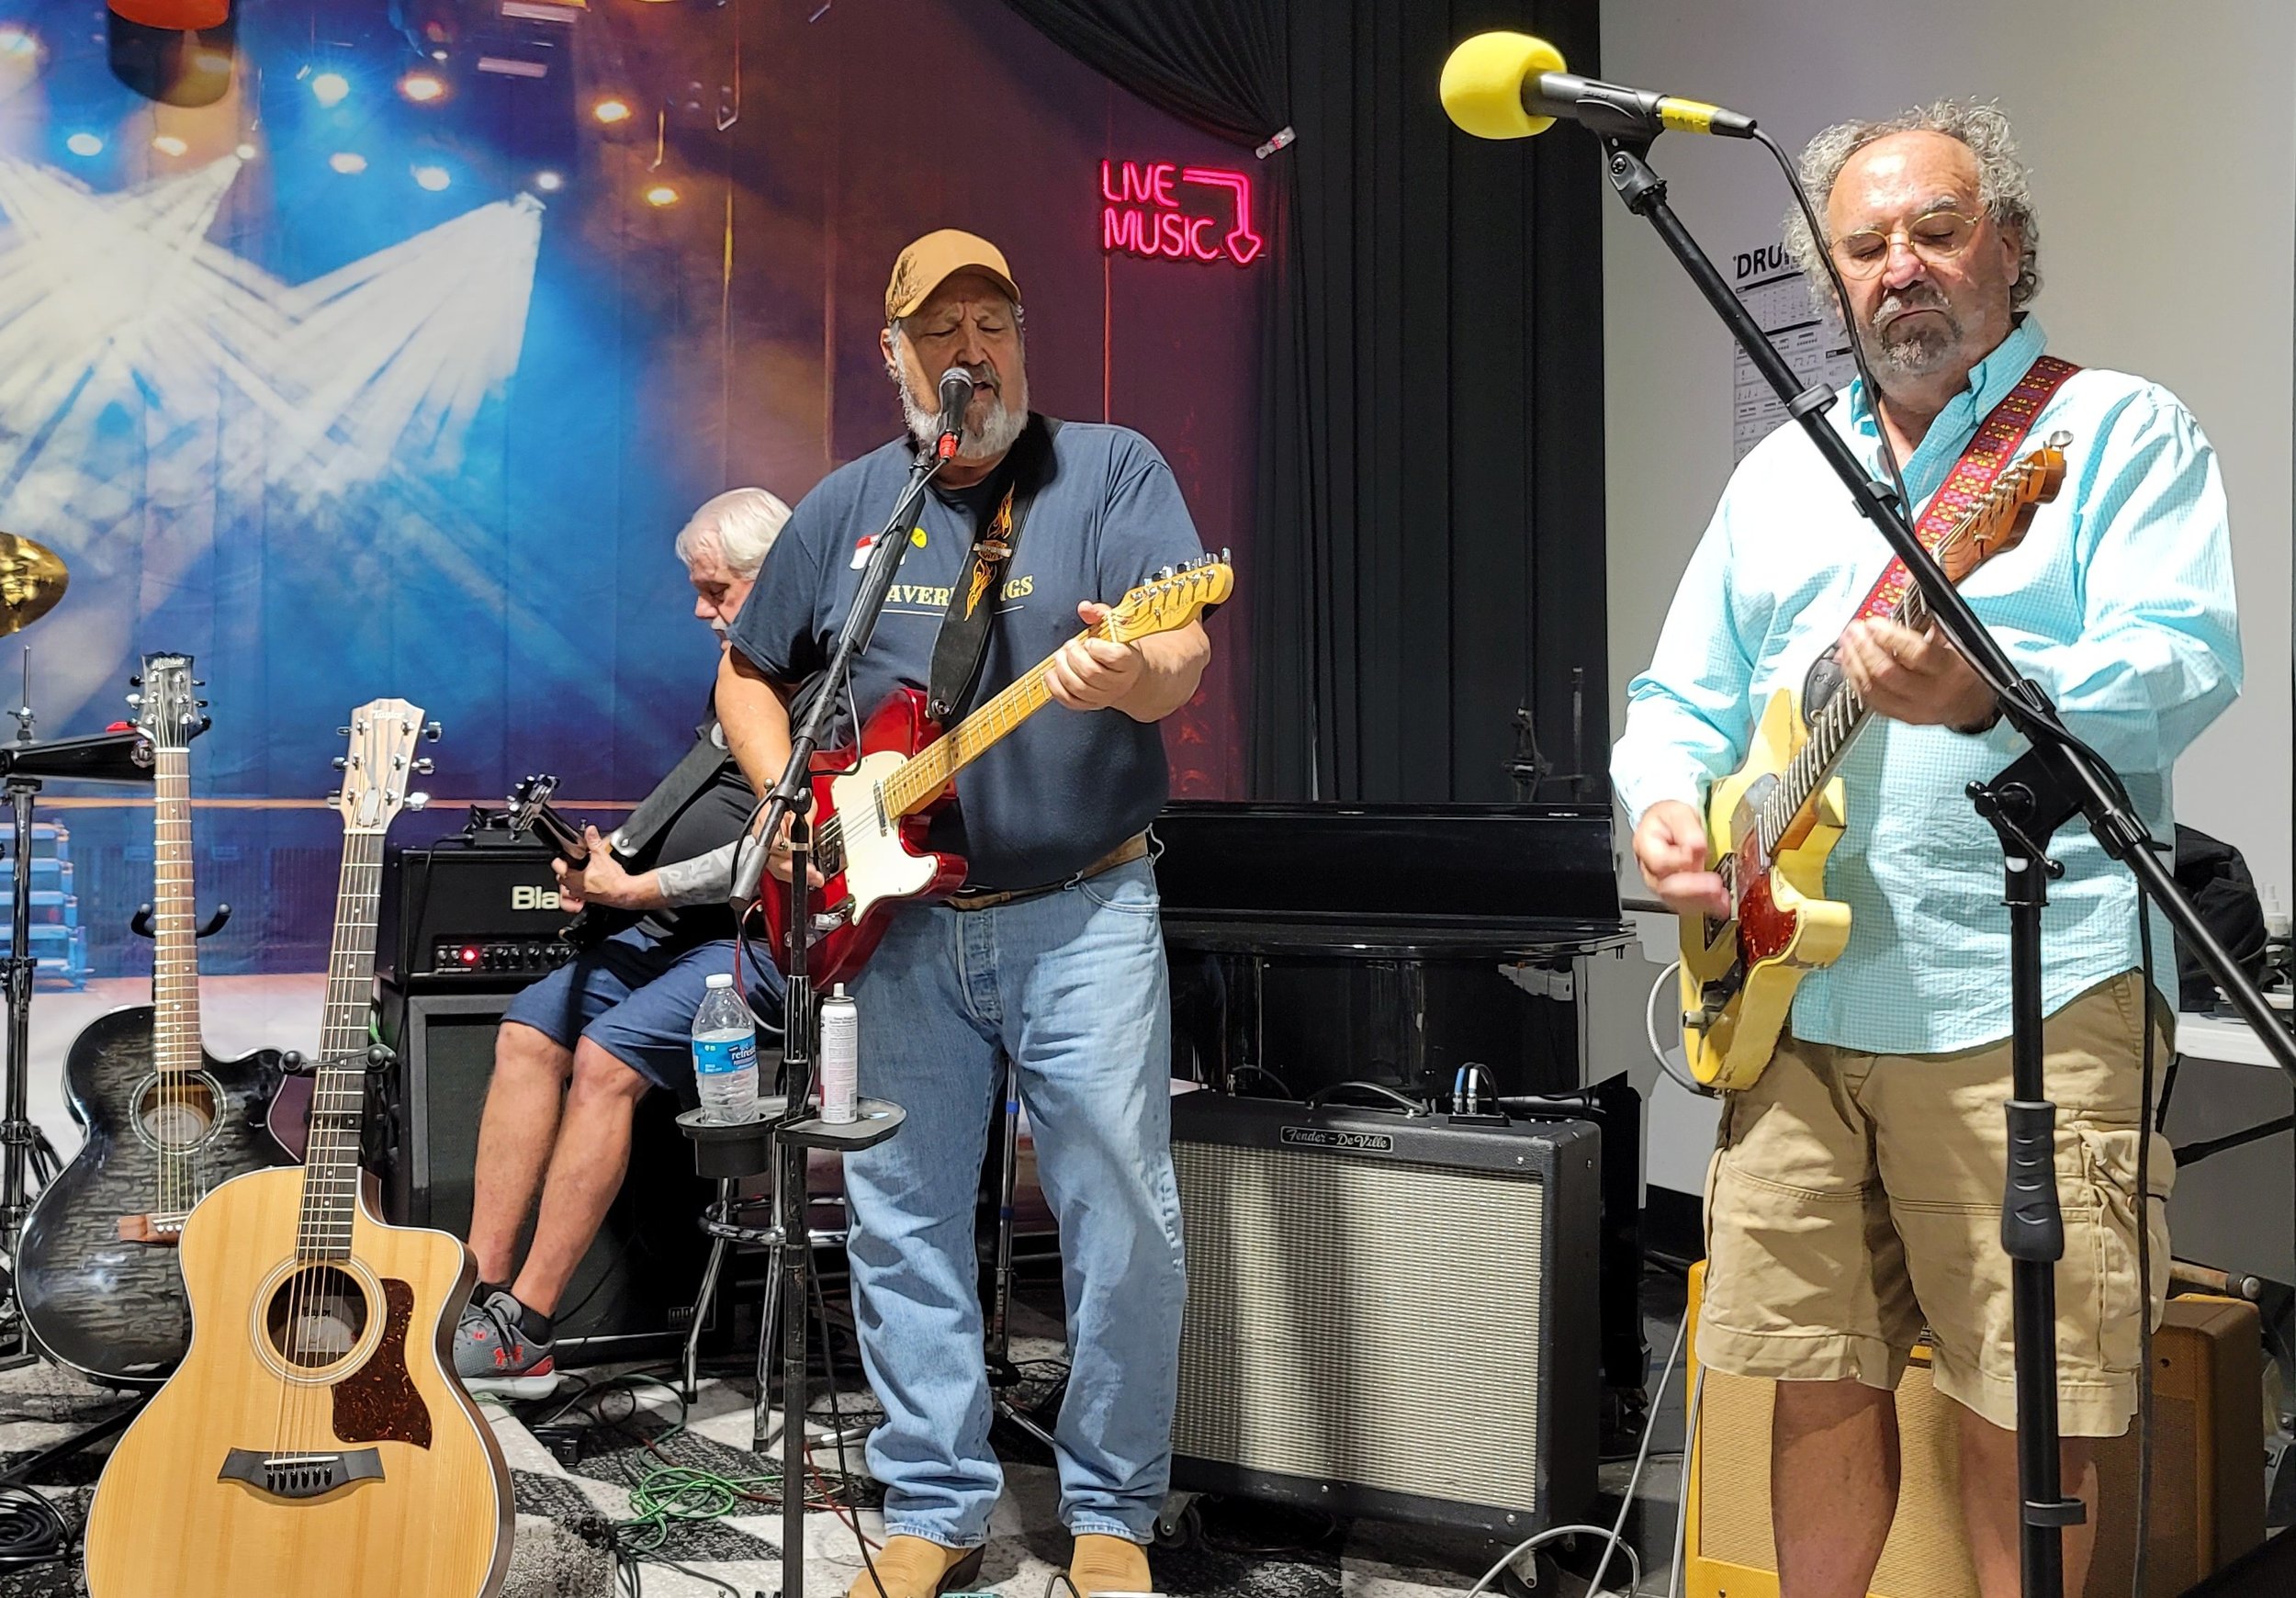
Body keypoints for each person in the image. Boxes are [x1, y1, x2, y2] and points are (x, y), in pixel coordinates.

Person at [1611, 102, 2240, 1598]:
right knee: (1808, 1382)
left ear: (2010, 254)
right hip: (1792, 1015)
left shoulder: (2110, 433)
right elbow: (1675, 701)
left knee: (2033, 1404)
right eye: (1868, 244)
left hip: (2026, 1003)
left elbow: (2185, 658)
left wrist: (2002, 693)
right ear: (1832, 281)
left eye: (1938, 232)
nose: (1903, 268)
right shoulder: (1782, 475)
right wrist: (1667, 810)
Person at [715, 230, 1211, 1598]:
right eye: (939, 333)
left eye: (991, 322)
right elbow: (748, 678)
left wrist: (1132, 672)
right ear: (896, 358)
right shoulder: (851, 510)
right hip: (898, 929)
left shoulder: (1108, 470)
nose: (969, 352)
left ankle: (1112, 1513)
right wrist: (793, 806)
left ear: (1020, 340)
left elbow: (1183, 649)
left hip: (1083, 908)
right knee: (897, 1213)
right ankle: (933, 1503)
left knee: (1122, 1210)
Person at [455, 486, 793, 1397]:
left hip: (767, 943)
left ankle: (525, 1326)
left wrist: (638, 883)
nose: (699, 608)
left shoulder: (828, 683)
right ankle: (473, 1290)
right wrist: (614, 869)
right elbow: (703, 798)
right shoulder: (739, 671)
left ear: (778, 577)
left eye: (717, 588)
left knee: (606, 1058)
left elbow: (781, 852)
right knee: (528, 1029)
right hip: (676, 928)